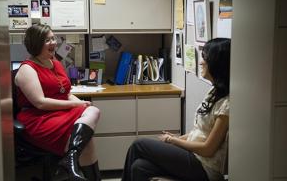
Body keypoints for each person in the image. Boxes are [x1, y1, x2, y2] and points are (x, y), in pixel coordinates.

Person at [121, 38, 231, 181]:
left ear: (217, 64)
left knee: (138, 145)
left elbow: (208, 149)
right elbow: (199, 132)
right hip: (194, 157)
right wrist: (177, 138)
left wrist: (174, 141)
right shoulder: (214, 92)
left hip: (205, 167)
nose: (201, 62)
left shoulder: (226, 104)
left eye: (205, 58)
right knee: (139, 167)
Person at [15, 24, 101, 181]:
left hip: (60, 113)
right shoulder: (27, 69)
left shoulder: (55, 63)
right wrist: (76, 105)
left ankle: (71, 160)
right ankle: (74, 163)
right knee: (87, 138)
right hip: (39, 119)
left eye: (53, 38)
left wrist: (80, 103)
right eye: (47, 40)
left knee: (92, 111)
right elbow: (40, 103)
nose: (53, 42)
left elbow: (66, 93)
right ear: (36, 43)